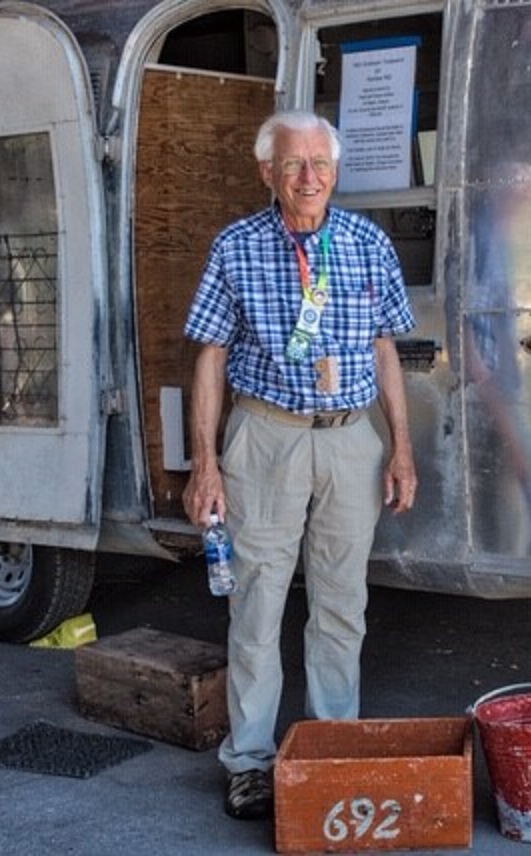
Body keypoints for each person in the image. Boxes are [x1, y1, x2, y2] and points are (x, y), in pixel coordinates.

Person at [182, 110, 418, 820]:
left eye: (320, 163)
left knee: (343, 605)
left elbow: (385, 350)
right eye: (293, 165)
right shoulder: (236, 246)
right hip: (265, 437)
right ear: (268, 173)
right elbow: (211, 356)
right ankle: (251, 761)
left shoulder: (369, 243)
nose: (309, 177)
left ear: (336, 171)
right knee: (257, 601)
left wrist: (401, 445)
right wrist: (206, 464)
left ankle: (327, 746)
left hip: (352, 438)